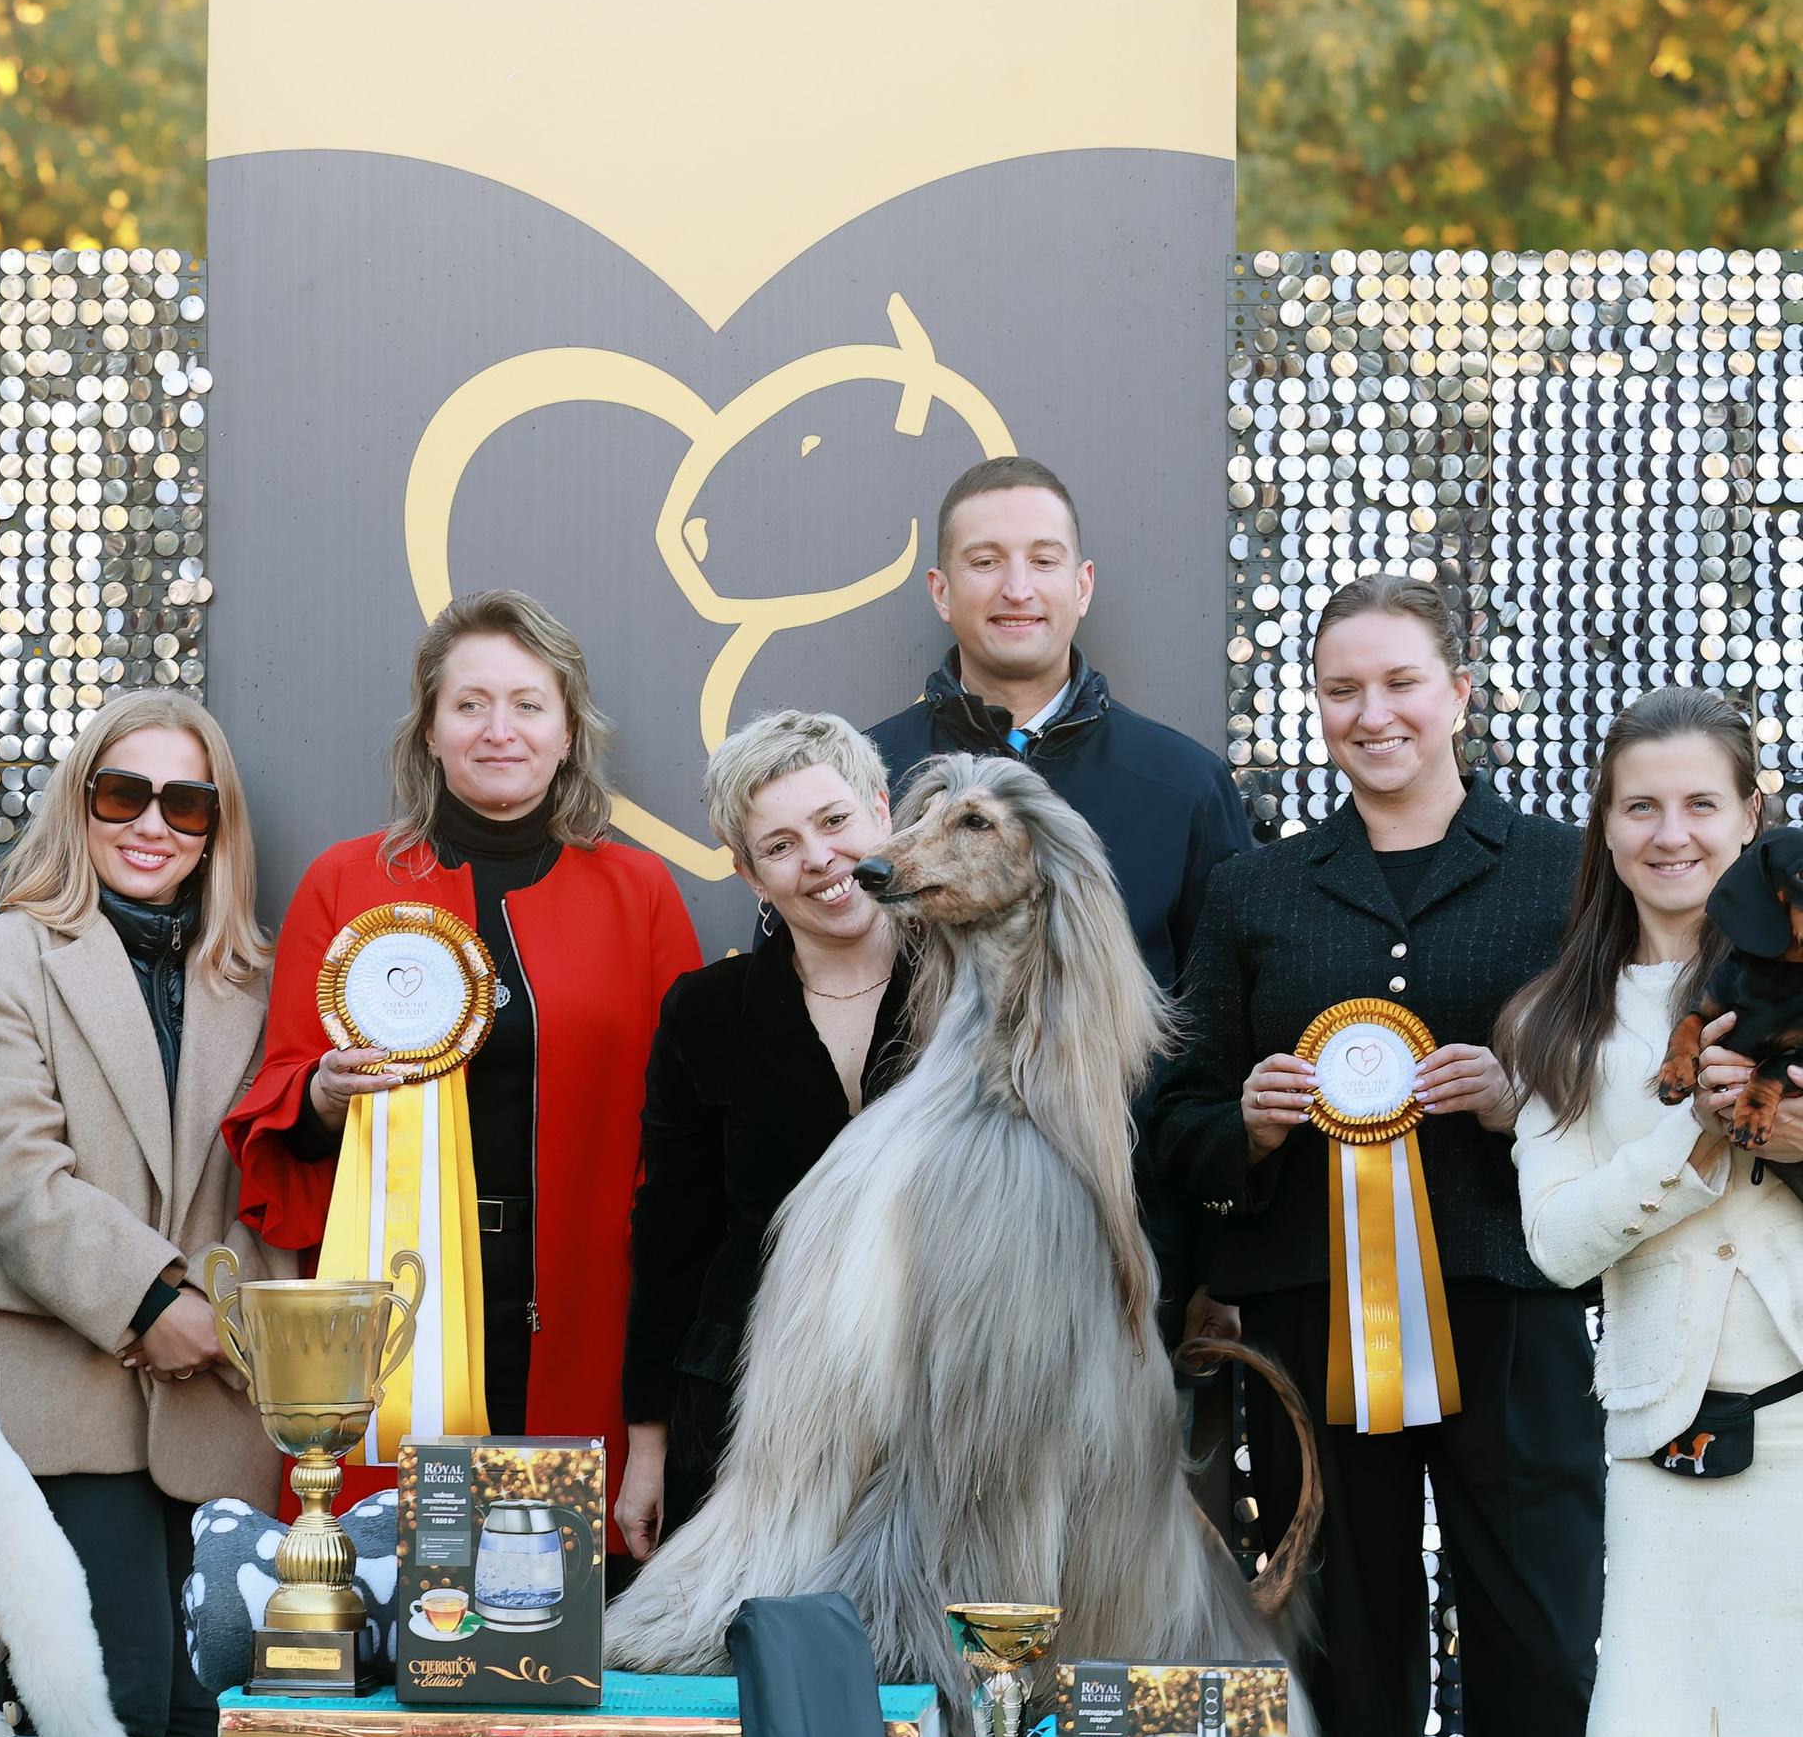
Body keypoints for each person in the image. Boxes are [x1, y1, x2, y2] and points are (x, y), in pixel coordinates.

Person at [1148, 573, 1620, 1737]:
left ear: (1460, 694)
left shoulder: (1564, 876)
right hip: (1310, 1320)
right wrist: (1241, 1119)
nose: (1373, 714)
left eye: (1401, 682)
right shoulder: (1259, 892)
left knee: (1538, 1629)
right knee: (1347, 1642)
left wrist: (1531, 1099)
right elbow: (1175, 1110)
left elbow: (1636, 1085)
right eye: (1343, 689)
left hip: (1513, 1304)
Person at [223, 589, 700, 1499]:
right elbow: (281, 1097)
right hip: (401, 1303)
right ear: (430, 732)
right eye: (469, 704)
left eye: (529, 704)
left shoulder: (639, 895)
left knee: (556, 1612)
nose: (499, 729)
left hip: (589, 1307)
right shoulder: (344, 883)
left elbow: (683, 1143)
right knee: (399, 1594)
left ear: (569, 732)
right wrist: (324, 1096)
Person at [1503, 689, 1803, 1737]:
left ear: (1754, 818)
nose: (1673, 832)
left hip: (1801, 1421)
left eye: (1702, 805)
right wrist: (1692, 1146)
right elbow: (1557, 1242)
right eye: (1643, 807)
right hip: (1666, 1450)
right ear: (1606, 831)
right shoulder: (1560, 1022)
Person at [0, 692, 285, 1737]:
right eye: (122, 793)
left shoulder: (267, 980)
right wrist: (151, 1304)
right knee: (111, 1716)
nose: (152, 824)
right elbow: (15, 1176)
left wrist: (218, 1329)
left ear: (217, 825)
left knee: (215, 1725)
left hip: (228, 1402)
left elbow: (278, 1179)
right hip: (68, 1402)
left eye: (185, 803)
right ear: (79, 805)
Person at [616, 710, 916, 1554]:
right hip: (749, 1408)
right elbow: (671, 1235)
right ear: (750, 876)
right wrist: (647, 1447)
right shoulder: (706, 1013)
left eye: (834, 822)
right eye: (780, 846)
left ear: (882, 814)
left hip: (945, 1394)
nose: (819, 859)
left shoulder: (977, 982)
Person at [864, 453, 1249, 991]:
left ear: (1083, 586)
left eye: (1044, 561)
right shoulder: (862, 781)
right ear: (941, 591)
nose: (1018, 589)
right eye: (984, 562)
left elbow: (1228, 1013)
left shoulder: (1185, 785)